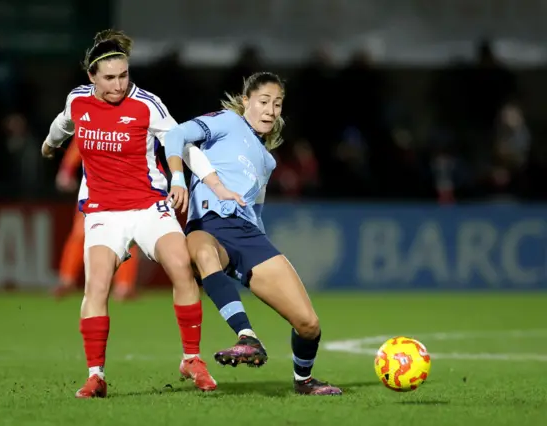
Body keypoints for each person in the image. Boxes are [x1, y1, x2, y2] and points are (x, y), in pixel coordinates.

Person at [41, 29, 238, 398]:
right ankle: (96, 375)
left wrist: (210, 183)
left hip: (149, 206)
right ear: (92, 78)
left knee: (181, 267)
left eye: (125, 75)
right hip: (102, 210)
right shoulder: (78, 101)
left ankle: (191, 358)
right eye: (110, 78)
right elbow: (63, 124)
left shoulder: (147, 104)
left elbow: (181, 143)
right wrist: (50, 144)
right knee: (97, 285)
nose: (119, 85)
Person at [164, 72, 343, 396]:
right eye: (264, 101)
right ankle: (247, 336)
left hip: (248, 235)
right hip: (209, 225)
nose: (270, 110)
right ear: (246, 100)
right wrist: (178, 178)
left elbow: (255, 210)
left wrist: (260, 250)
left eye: (277, 104)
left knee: (309, 324)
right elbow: (176, 134)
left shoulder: (267, 161)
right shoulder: (227, 122)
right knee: (201, 252)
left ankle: (304, 380)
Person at [53, 141, 139, 302]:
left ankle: (124, 286)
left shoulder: (129, 123)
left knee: (127, 235)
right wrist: (67, 170)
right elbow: (79, 143)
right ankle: (67, 279)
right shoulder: (93, 121)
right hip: (94, 187)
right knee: (81, 232)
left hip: (123, 187)